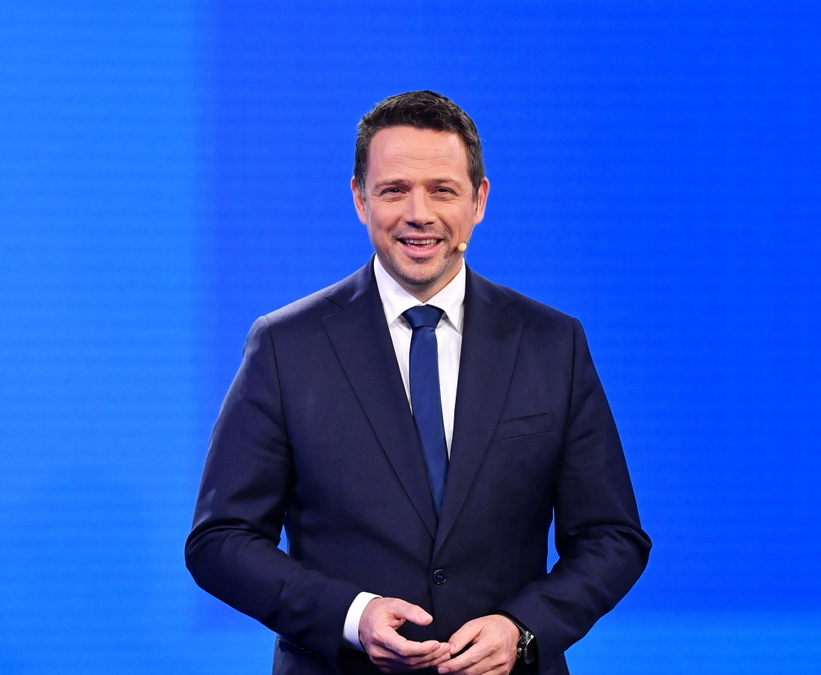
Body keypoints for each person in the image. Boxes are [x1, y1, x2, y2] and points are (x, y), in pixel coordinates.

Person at [186, 91, 650, 675]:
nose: (419, 213)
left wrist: (523, 629)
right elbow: (221, 540)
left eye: (443, 190)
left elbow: (612, 537)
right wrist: (353, 616)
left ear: (479, 200)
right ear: (360, 199)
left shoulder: (552, 343)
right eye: (394, 190)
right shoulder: (285, 346)